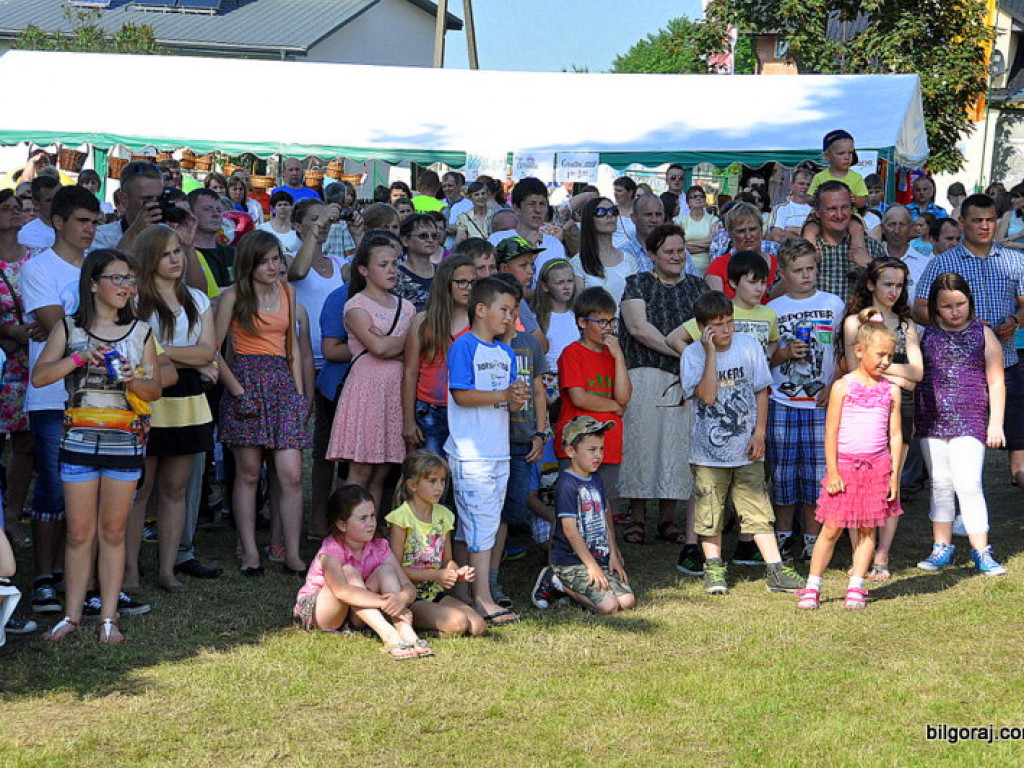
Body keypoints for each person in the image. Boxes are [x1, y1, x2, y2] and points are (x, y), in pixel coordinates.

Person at [33, 249, 162, 643]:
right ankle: (71, 617)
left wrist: (131, 378)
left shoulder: (141, 331)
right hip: (78, 442)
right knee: (78, 533)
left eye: (130, 279)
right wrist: (78, 357)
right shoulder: (69, 328)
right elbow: (40, 377)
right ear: (93, 284)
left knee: (113, 532)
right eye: (117, 278)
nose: (126, 286)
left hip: (124, 443)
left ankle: (108, 617)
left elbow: (154, 390)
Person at [681, 291, 804, 595]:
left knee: (758, 509)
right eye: (717, 325)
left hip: (747, 448)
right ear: (702, 328)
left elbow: (761, 390)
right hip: (708, 455)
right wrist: (711, 354)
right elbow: (708, 396)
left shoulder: (748, 346)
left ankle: (775, 570)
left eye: (729, 322)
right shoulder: (692, 355)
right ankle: (714, 568)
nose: (726, 330)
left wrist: (759, 432)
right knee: (710, 513)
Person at [21, 186, 101, 615]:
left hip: (100, 394)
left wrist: (69, 327)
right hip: (52, 394)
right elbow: (60, 328)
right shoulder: (38, 268)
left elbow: (119, 320)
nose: (90, 229)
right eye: (82, 221)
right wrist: (81, 328)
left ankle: (82, 579)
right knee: (53, 487)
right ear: (58, 222)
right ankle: (43, 579)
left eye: (95, 222)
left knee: (90, 488)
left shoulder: (100, 266)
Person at [125, 224, 218, 593]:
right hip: (148, 397)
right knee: (140, 488)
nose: (175, 259)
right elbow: (134, 351)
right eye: (165, 254)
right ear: (150, 258)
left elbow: (207, 351)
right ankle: (129, 571)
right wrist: (186, 359)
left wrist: (161, 353)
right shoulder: (135, 300)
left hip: (188, 401)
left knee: (176, 488)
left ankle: (167, 569)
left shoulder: (198, 299)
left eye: (178, 250)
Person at [914, 194, 1024, 492]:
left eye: (990, 220)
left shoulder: (1014, 260)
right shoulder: (942, 262)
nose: (985, 226)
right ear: (962, 223)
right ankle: (958, 499)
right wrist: (960, 325)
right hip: (956, 372)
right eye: (977, 220)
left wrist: (1015, 321)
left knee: (1017, 440)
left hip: (1005, 361)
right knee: (960, 447)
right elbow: (919, 308)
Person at [216, 231, 309, 577]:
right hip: (246, 382)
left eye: (277, 259)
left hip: (282, 385)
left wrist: (298, 394)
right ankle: (250, 551)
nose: (273, 266)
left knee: (292, 474)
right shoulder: (232, 296)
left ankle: (291, 553)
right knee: (249, 473)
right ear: (249, 264)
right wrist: (237, 391)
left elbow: (292, 347)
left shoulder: (288, 292)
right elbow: (212, 349)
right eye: (265, 261)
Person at [796, 311, 902, 610]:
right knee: (831, 528)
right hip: (845, 468)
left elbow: (895, 435)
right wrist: (833, 472)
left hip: (877, 469)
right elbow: (830, 432)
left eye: (890, 356)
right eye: (880, 355)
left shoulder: (891, 390)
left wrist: (893, 476)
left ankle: (856, 585)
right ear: (859, 350)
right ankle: (812, 586)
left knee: (869, 529)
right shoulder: (843, 387)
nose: (885, 361)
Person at [444, 277, 529, 625]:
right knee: (481, 525)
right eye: (503, 310)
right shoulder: (463, 347)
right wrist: (504, 396)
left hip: (498, 451)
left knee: (478, 525)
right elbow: (461, 394)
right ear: (481, 310)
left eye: (512, 311)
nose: (509, 317)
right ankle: (482, 599)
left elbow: (507, 402)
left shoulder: (505, 352)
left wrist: (515, 399)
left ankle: (463, 594)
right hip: (471, 453)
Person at [619, 224, 708, 547]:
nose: (676, 256)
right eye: (668, 251)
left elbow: (706, 328)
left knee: (675, 448)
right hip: (644, 373)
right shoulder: (637, 283)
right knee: (642, 446)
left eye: (680, 250)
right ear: (652, 254)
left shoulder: (698, 288)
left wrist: (688, 359)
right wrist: (681, 351)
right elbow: (638, 329)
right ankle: (637, 517)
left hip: (685, 380)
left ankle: (667, 520)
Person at [912, 273, 1006, 576]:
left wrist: (996, 423)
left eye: (960, 304)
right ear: (935, 307)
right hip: (932, 418)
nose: (955, 311)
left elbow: (996, 381)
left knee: (969, 483)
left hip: (971, 417)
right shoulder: (925, 335)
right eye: (947, 306)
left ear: (970, 302)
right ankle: (941, 547)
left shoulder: (983, 334)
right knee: (940, 482)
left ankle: (982, 550)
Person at [839, 258, 922, 578]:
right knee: (858, 483)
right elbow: (854, 368)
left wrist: (883, 371)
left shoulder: (906, 324)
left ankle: (882, 556)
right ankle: (859, 554)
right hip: (862, 407)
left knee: (891, 481)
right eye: (888, 284)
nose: (894, 291)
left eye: (899, 285)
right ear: (871, 284)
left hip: (901, 408)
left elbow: (918, 373)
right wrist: (900, 377)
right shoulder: (854, 323)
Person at [327, 234, 414, 513]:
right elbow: (378, 348)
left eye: (395, 264)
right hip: (367, 391)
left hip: (395, 391)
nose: (392, 270)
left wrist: (392, 345)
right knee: (361, 468)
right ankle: (346, 527)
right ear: (364, 270)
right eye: (383, 264)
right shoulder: (356, 306)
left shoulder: (407, 307)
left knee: (382, 471)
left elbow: (410, 350)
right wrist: (401, 345)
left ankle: (370, 529)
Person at [294, 485, 433, 659]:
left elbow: (408, 586)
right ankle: (389, 635)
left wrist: (401, 599)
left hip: (358, 613)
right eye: (363, 518)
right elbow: (342, 592)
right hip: (324, 611)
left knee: (386, 570)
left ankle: (407, 634)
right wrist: (384, 603)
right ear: (342, 525)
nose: (371, 523)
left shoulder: (380, 546)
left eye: (373, 516)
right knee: (348, 571)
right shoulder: (331, 550)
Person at [531, 416, 634, 614]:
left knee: (627, 601)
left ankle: (581, 585)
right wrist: (591, 566)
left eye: (601, 449)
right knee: (609, 606)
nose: (598, 455)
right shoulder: (566, 484)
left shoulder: (596, 480)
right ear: (571, 451)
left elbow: (605, 521)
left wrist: (613, 554)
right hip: (572, 562)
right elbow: (569, 530)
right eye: (591, 450)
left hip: (599, 558)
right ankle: (557, 581)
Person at [385, 450, 485, 636]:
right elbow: (395, 569)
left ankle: (434, 623)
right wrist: (435, 575)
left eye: (442, 481)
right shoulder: (401, 518)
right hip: (410, 596)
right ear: (413, 485)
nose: (439, 487)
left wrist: (457, 572)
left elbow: (447, 560)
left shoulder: (444, 515)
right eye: (432, 481)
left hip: (435, 592)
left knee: (478, 626)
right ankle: (411, 621)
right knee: (458, 623)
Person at [554, 286, 631, 526]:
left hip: (609, 442)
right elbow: (579, 397)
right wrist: (613, 406)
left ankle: (607, 547)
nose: (608, 328)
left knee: (605, 504)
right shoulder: (572, 353)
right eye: (601, 322)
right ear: (582, 322)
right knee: (574, 507)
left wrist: (619, 358)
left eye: (611, 321)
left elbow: (624, 397)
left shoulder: (612, 354)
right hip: (577, 444)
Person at [402, 254, 474, 456]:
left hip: (468, 410)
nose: (468, 287)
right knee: (431, 471)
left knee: (464, 472)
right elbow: (410, 372)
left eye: (473, 282)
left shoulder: (480, 321)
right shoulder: (423, 321)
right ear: (445, 283)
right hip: (430, 410)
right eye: (461, 282)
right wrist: (408, 420)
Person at [0, 190, 34, 546]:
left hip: (26, 362)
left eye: (17, 208)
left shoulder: (33, 258)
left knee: (25, 442)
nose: (14, 212)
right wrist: (8, 331)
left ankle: (12, 515)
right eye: (5, 208)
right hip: (4, 356)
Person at [807, 181, 886, 300]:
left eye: (844, 207)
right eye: (832, 209)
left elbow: (891, 289)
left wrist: (871, 265)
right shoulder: (806, 248)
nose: (839, 215)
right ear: (817, 211)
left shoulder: (872, 247)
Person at [489, 177, 567, 279]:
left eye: (542, 204)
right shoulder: (497, 240)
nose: (538, 210)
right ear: (516, 208)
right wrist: (526, 250)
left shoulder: (554, 244)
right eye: (531, 204)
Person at [705, 202, 782, 303]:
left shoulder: (778, 265)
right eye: (741, 231)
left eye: (753, 229)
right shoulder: (718, 266)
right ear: (730, 234)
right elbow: (716, 306)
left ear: (761, 230)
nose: (748, 236)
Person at [570, 196, 638, 306]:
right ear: (589, 219)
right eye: (601, 212)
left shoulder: (629, 260)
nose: (610, 215)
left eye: (614, 211)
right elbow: (577, 307)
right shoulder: (578, 263)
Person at [93, 160, 165, 253]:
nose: (155, 204)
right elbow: (110, 262)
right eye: (147, 199)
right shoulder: (102, 236)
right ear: (124, 200)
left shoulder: (166, 232)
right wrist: (135, 231)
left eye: (159, 198)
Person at [533, 258, 577, 371]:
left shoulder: (578, 315)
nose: (566, 287)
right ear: (545, 286)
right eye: (560, 282)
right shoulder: (536, 318)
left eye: (570, 281)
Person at [807, 129, 869, 208]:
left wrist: (856, 200)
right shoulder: (819, 177)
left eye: (850, 152)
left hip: (847, 215)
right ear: (828, 156)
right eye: (841, 153)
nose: (847, 157)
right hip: (823, 215)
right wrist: (815, 199)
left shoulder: (857, 178)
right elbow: (809, 198)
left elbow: (864, 200)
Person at [186, 188, 235, 288]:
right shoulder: (184, 256)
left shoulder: (233, 253)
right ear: (191, 214)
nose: (216, 214)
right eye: (207, 209)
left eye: (219, 210)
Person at [880, 204, 931, 292]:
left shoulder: (925, 264)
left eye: (902, 225)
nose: (897, 231)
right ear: (882, 228)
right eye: (891, 225)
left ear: (910, 228)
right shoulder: (874, 258)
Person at [394, 213, 438, 311]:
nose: (430, 240)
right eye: (423, 236)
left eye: (434, 236)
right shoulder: (395, 275)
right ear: (405, 240)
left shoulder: (443, 272)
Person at [675, 185, 719, 276]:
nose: (698, 198)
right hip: (685, 269)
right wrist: (706, 247)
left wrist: (688, 244)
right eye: (694, 196)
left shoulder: (713, 220)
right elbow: (679, 246)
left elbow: (715, 243)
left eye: (701, 196)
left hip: (708, 269)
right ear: (688, 202)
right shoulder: (680, 221)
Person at [767, 169, 813, 243]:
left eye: (808, 184)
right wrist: (806, 233)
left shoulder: (816, 209)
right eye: (801, 184)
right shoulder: (781, 209)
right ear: (792, 185)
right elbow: (776, 235)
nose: (805, 187)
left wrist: (791, 230)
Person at [17, 175, 59, 251]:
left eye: (58, 198)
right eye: (49, 200)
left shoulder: (74, 227)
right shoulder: (28, 234)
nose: (56, 203)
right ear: (36, 203)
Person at [258, 190, 300, 255]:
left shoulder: (299, 229)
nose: (283, 207)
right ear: (273, 209)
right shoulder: (263, 228)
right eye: (279, 205)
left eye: (286, 204)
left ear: (292, 207)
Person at [611, 176, 639, 251]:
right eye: (615, 190)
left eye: (619, 191)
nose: (615, 194)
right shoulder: (611, 212)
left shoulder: (639, 213)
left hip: (633, 254)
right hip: (613, 253)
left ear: (630, 192)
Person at [995, 183, 1024, 251]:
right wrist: (1018, 235)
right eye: (1012, 197)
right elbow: (998, 242)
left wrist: (1016, 244)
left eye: (1016, 197)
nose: (1012, 200)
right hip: (1012, 256)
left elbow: (1003, 242)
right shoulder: (1008, 215)